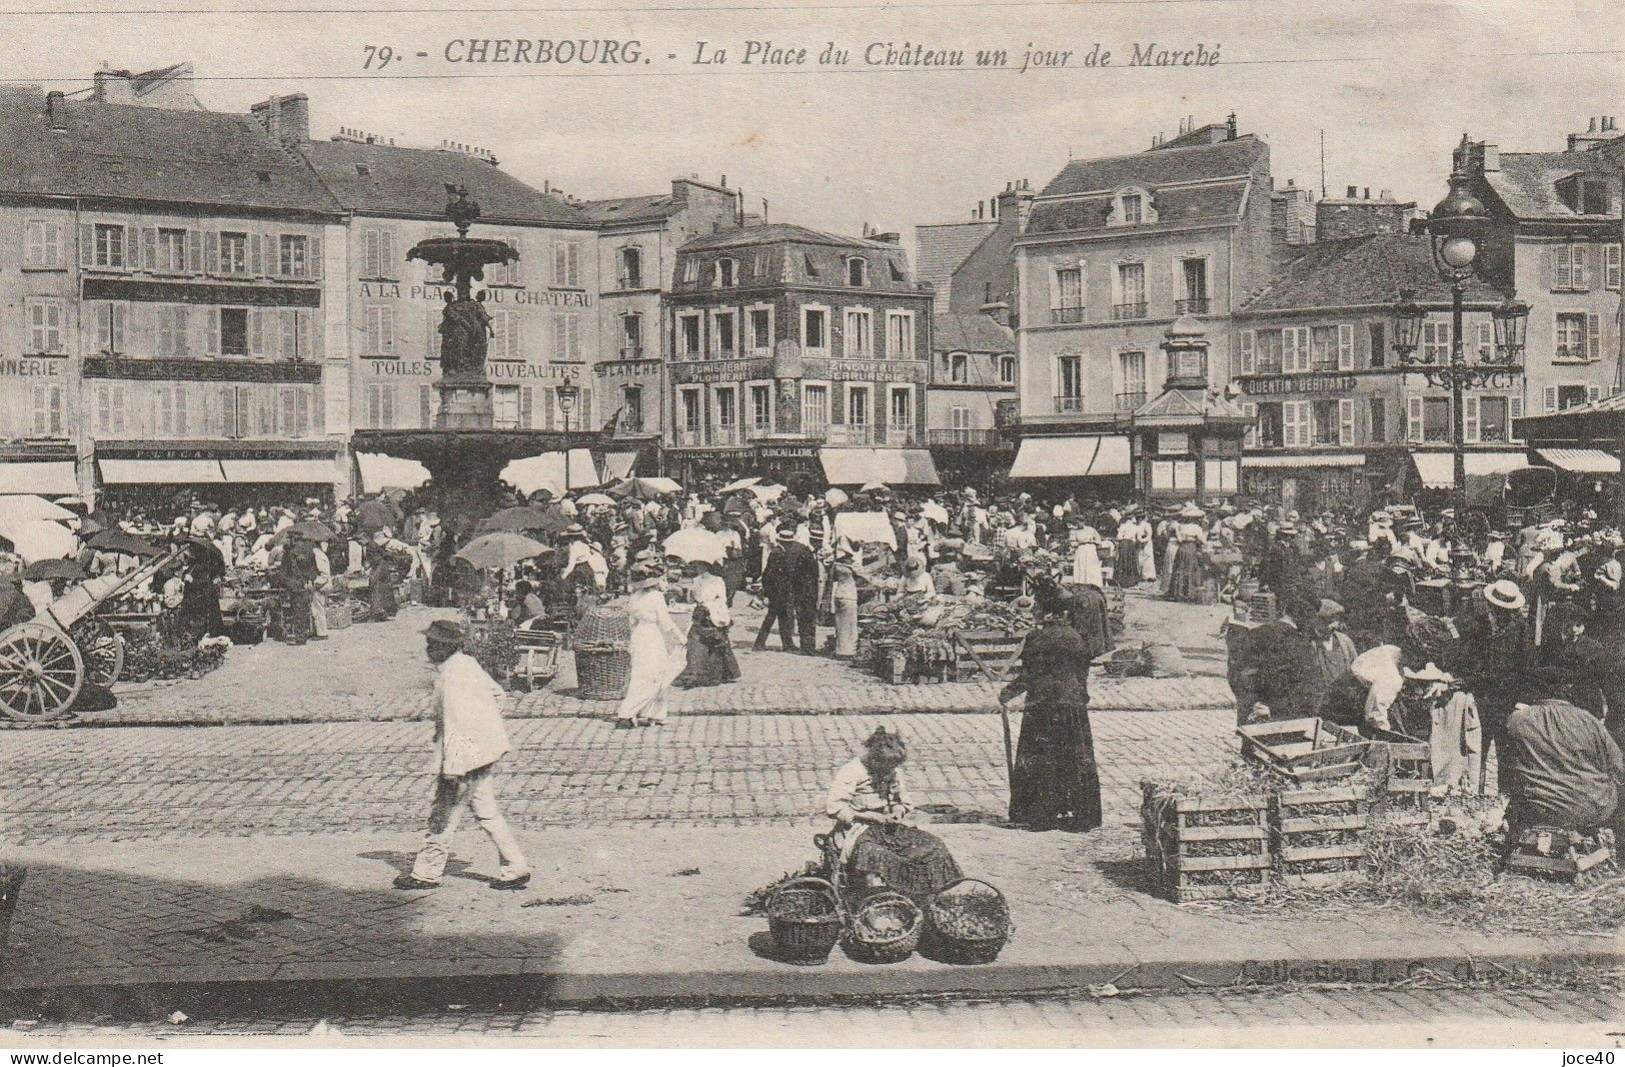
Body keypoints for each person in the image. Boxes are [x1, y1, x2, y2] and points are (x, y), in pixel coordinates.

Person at [394, 619, 530, 892]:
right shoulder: (467, 664)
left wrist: (453, 770)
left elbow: (457, 727)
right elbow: (498, 695)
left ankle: (426, 873)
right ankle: (516, 868)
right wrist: (486, 727)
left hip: (463, 759)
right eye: (429, 643)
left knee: (442, 815)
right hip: (482, 754)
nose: (429, 649)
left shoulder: (452, 678)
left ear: (449, 647)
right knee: (487, 812)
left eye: (435, 644)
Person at [1000, 588, 1102, 832]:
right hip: (1072, 706)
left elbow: (1028, 675)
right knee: (1074, 759)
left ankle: (1041, 814)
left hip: (1041, 707)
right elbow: (1082, 675)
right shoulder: (1077, 638)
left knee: (1041, 758)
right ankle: (1080, 815)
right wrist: (1079, 698)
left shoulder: (1036, 639)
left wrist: (1007, 693)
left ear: (1044, 611)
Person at [825, 727, 963, 902]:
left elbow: (903, 801)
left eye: (893, 767)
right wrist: (871, 816)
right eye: (886, 767)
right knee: (877, 854)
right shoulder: (852, 771)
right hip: (858, 830)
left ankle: (923, 898)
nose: (890, 772)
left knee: (933, 846)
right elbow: (834, 807)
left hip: (888, 828)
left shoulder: (892, 770)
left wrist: (898, 811)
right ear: (875, 758)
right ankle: (877, 901)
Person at [1501, 677, 1624, 858]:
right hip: (1588, 809)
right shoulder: (1589, 721)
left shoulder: (1517, 720)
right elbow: (1619, 768)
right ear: (1566, 692)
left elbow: (1508, 768)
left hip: (1534, 809)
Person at [615, 561, 685, 728]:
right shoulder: (656, 597)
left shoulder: (634, 597)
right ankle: (628, 712)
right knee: (656, 675)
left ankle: (654, 713)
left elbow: (632, 621)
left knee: (641, 675)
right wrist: (680, 637)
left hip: (638, 635)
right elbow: (665, 623)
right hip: (652, 637)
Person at [675, 558, 741, 688]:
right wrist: (690, 591)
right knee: (695, 642)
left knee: (715, 643)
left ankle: (717, 673)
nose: (698, 568)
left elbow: (722, 599)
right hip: (699, 614)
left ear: (707, 565)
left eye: (700, 565)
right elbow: (690, 601)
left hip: (712, 615)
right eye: (696, 565)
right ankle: (694, 674)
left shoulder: (717, 580)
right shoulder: (695, 580)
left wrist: (710, 605)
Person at [756, 527, 818, 654]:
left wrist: (766, 590)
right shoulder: (798, 549)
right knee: (777, 615)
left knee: (777, 616)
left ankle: (776, 643)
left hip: (778, 589)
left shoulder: (778, 552)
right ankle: (766, 643)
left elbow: (768, 573)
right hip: (785, 589)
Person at [831, 551, 861, 660]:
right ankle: (847, 652)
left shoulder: (836, 565)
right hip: (850, 596)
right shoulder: (852, 565)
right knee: (850, 625)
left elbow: (833, 578)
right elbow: (860, 577)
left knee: (840, 624)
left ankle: (839, 649)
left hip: (838, 594)